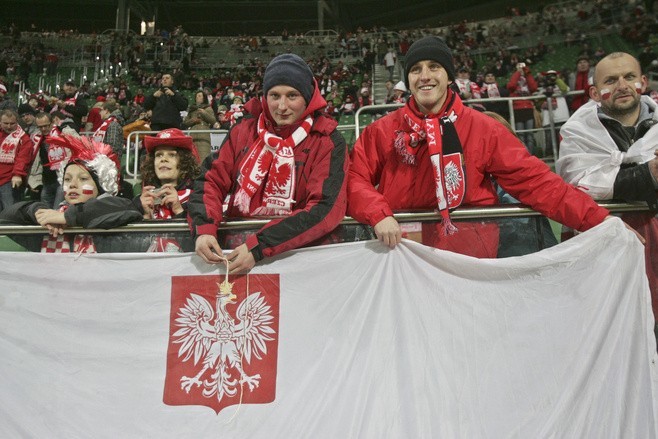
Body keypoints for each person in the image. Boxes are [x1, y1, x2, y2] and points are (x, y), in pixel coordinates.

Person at [347, 36, 613, 257]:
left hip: (469, 259)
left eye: (434, 67)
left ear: (450, 77)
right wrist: (378, 214)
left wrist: (600, 221)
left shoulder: (483, 129)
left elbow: (538, 183)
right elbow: (355, 178)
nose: (424, 76)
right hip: (403, 251)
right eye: (416, 69)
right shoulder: (381, 131)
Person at [189, 53, 349, 273]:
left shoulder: (327, 141)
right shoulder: (242, 131)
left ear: (308, 97)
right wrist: (204, 228)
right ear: (264, 97)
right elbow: (211, 181)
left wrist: (259, 246)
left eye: (292, 95)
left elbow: (324, 209)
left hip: (299, 257)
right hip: (237, 252)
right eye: (274, 95)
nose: (281, 106)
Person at [556, 52, 658, 323]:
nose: (622, 85)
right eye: (610, 80)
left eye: (629, 77)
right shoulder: (576, 133)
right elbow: (581, 186)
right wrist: (649, 174)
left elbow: (603, 183)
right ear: (594, 92)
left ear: (644, 82)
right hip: (603, 257)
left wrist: (619, 180)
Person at [0, 135, 142, 252]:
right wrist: (36, 212)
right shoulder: (51, 225)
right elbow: (5, 218)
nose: (72, 184)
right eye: (67, 179)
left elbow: (126, 208)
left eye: (83, 178)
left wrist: (68, 217)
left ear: (101, 185)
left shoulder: (112, 209)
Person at [138, 129, 201, 252]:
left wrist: (179, 211)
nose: (163, 159)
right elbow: (133, 253)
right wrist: (145, 217)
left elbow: (199, 248)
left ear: (184, 162)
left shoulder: (197, 199)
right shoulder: (141, 200)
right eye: (159, 155)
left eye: (171, 155)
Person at [0, 109, 33, 211]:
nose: (9, 126)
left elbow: (23, 158)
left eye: (12, 123)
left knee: (10, 211)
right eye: (6, 123)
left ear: (17, 122)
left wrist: (17, 174)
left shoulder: (23, 138)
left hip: (9, 180)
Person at [507, 61, 538, 154]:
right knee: (520, 135)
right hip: (517, 108)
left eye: (523, 67)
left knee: (530, 134)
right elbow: (511, 86)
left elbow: (533, 88)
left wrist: (527, 74)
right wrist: (518, 73)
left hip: (528, 107)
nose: (521, 68)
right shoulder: (514, 77)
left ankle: (531, 156)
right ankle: (524, 156)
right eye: (519, 67)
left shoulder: (528, 77)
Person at [182, 90, 217, 162]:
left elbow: (213, 121)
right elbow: (185, 123)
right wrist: (193, 120)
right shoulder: (192, 110)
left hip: (204, 138)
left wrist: (204, 113)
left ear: (204, 98)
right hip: (193, 137)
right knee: (193, 160)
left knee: (204, 159)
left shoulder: (208, 108)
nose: (198, 97)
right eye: (197, 96)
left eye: (200, 96)